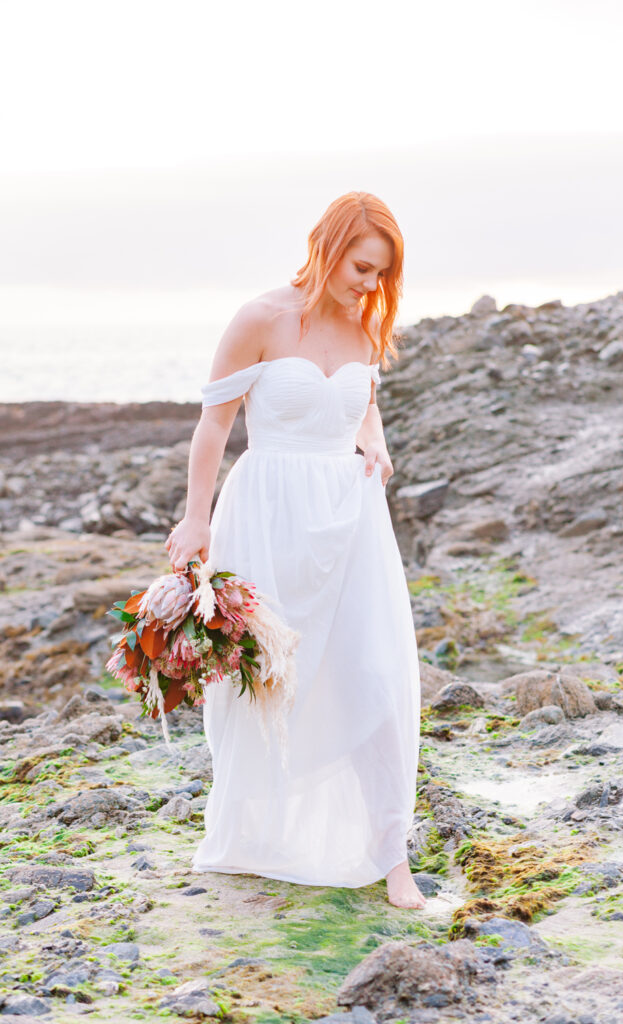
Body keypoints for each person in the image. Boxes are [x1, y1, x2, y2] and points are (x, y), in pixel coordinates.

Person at [165, 191, 425, 910]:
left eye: (380, 275)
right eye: (360, 267)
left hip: (349, 516)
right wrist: (196, 522)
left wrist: (374, 439)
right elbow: (213, 427)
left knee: (371, 671)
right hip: (266, 510)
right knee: (266, 677)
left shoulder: (365, 325)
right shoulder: (260, 318)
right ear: (327, 245)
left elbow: (361, 400)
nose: (368, 285)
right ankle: (257, 833)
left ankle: (389, 854)